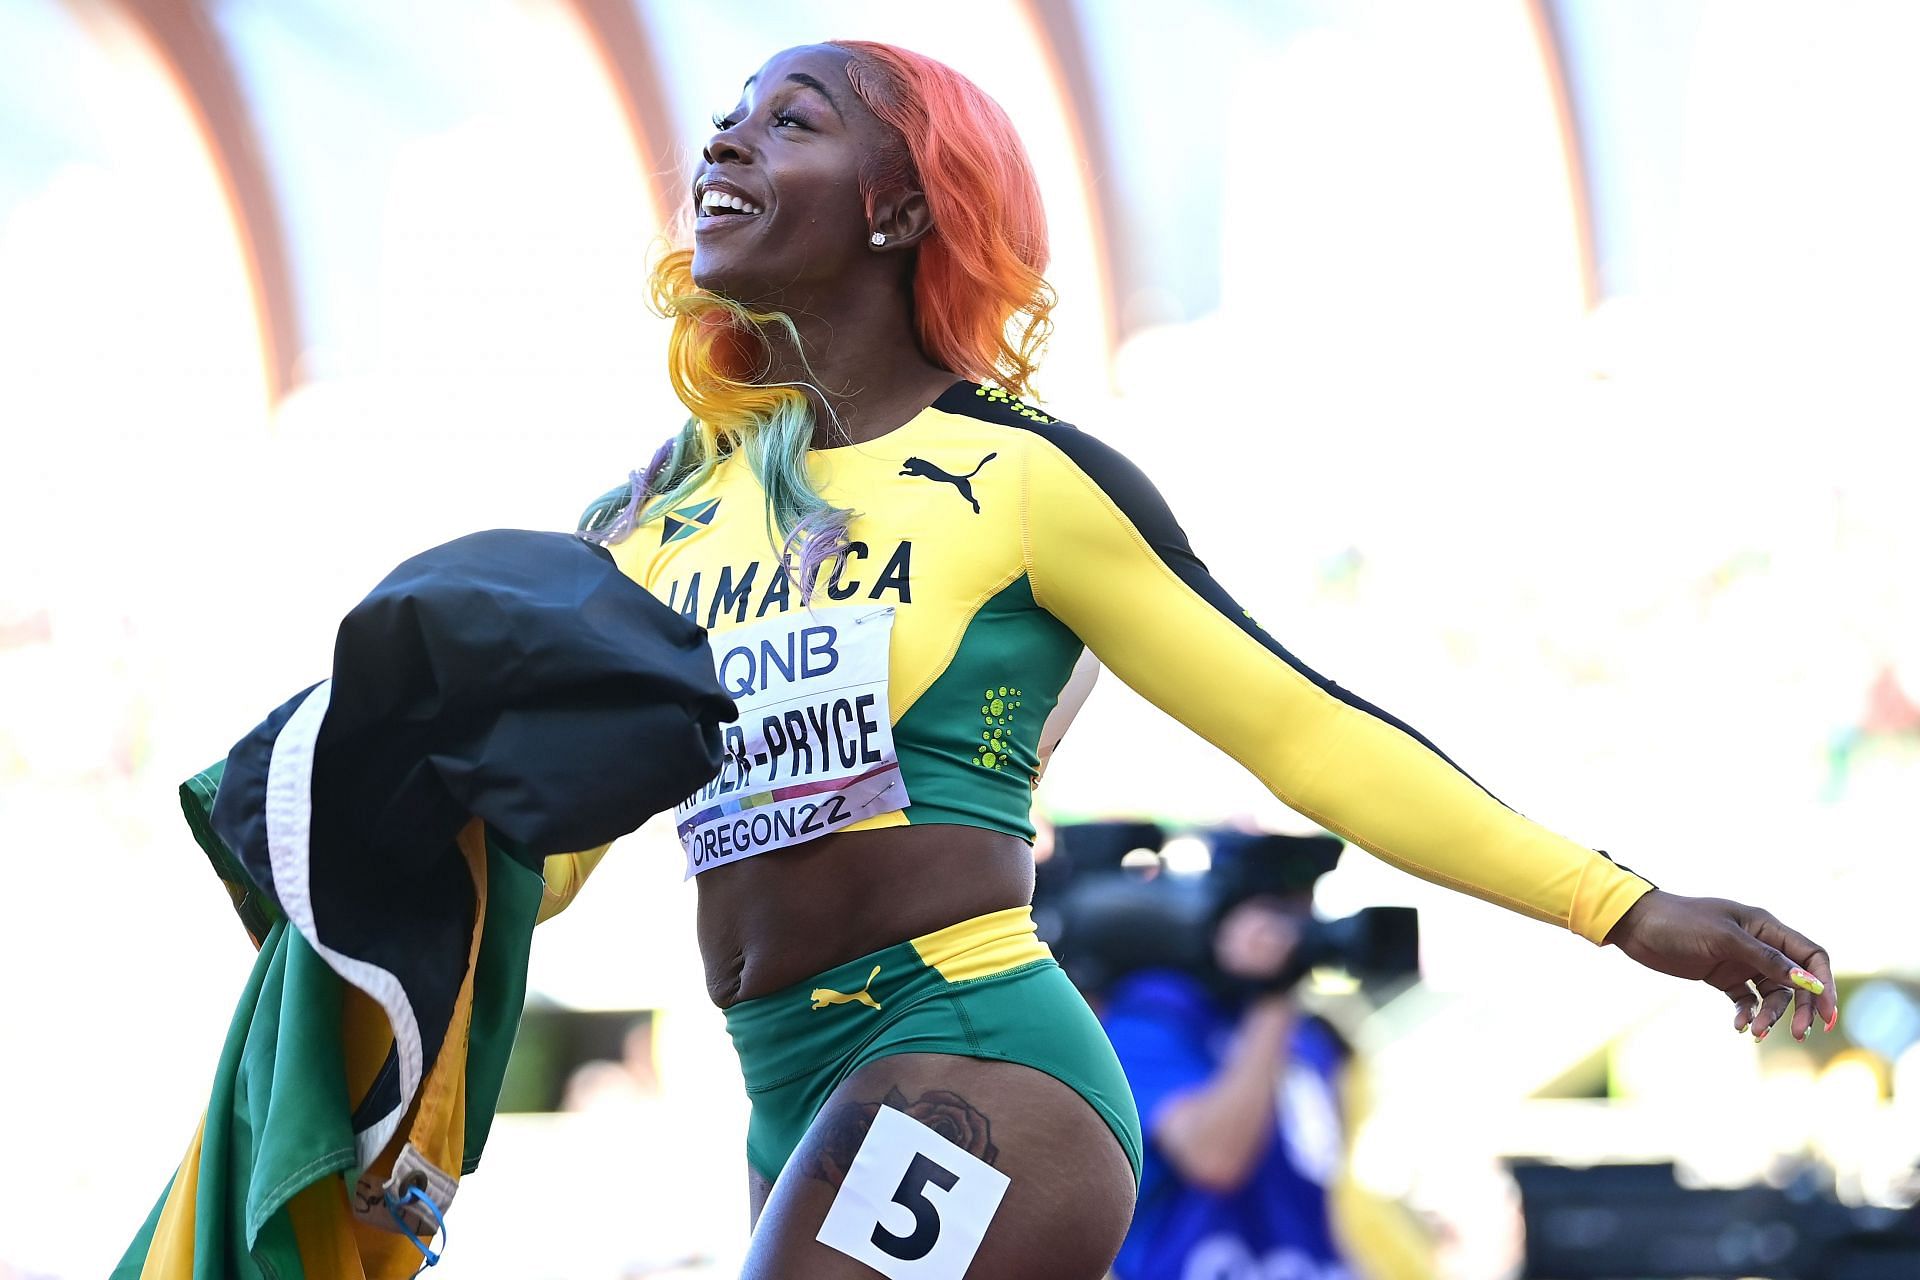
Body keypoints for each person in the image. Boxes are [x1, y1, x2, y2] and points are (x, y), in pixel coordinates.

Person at [575, 40, 1838, 1279]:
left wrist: (1617, 905)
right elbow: (542, 827)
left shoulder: (1023, 476)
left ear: (900, 205)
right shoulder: (655, 516)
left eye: (791, 121)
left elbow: (1308, 733)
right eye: (731, 113)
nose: (724, 138)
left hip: (972, 1054)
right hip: (779, 1081)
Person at [1101, 833, 1432, 1280]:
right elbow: (1213, 1159)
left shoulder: (1317, 1040)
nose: (1293, 936)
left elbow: (1340, 1192)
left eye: (1302, 912)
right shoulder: (1156, 1015)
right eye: (1274, 915)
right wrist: (1271, 998)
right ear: (1221, 918)